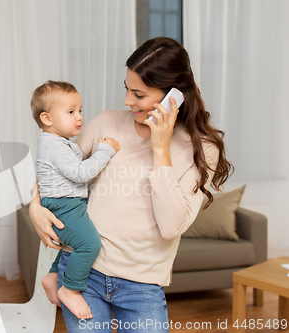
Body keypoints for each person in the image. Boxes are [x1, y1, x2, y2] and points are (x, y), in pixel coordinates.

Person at [29, 37, 233, 332]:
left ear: (173, 96)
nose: (127, 101)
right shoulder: (106, 123)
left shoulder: (202, 149)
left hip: (143, 285)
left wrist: (160, 148)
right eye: (126, 88)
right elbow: (53, 172)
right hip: (84, 273)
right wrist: (35, 207)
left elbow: (171, 226)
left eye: (138, 94)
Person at [31, 80, 121, 320]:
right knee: (89, 244)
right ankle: (70, 289)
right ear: (47, 119)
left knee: (73, 244)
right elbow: (81, 173)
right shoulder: (55, 146)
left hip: (65, 203)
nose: (79, 117)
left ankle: (52, 276)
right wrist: (105, 150)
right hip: (63, 205)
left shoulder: (58, 142)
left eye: (80, 111)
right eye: (71, 112)